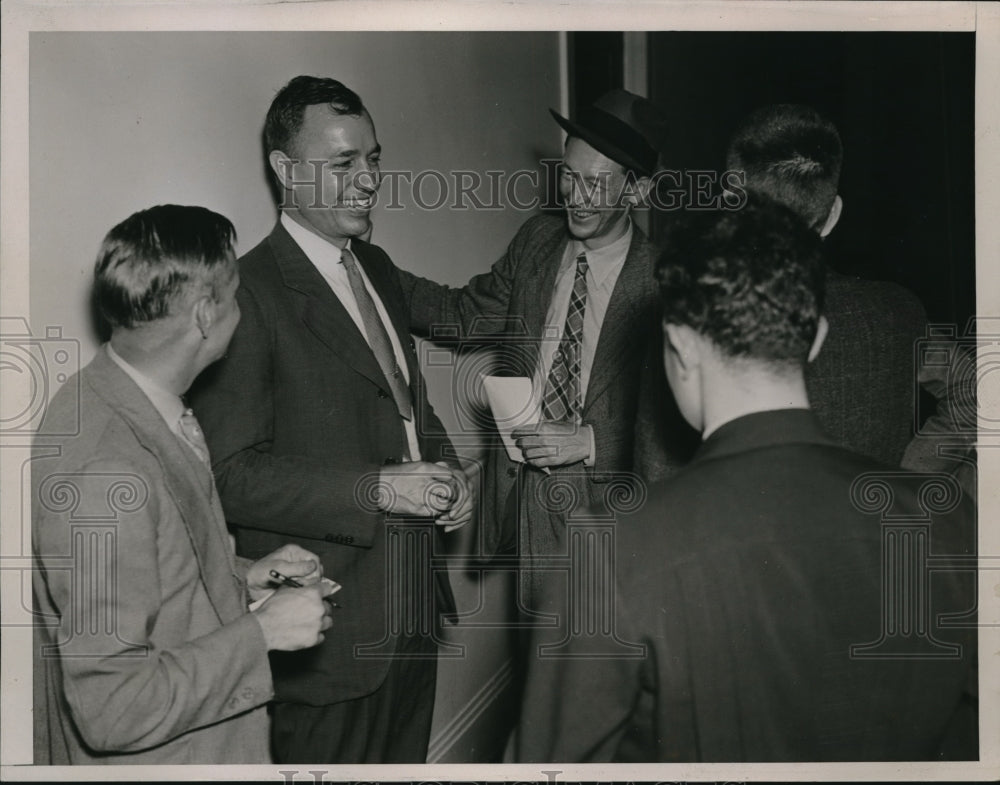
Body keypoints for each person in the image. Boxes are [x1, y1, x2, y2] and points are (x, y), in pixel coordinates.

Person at [515, 198, 976, 762]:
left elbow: (552, 765)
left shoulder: (607, 549)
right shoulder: (946, 518)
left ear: (680, 348)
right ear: (816, 339)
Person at [188, 76, 472, 764]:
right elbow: (230, 474)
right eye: (343, 165)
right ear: (286, 171)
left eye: (373, 159)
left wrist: (453, 471)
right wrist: (376, 487)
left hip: (413, 618)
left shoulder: (373, 263)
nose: (369, 180)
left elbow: (407, 405)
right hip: (328, 645)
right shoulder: (246, 292)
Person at [32, 204, 337, 765]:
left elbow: (157, 571)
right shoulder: (106, 476)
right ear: (203, 315)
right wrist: (261, 634)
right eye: (237, 293)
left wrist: (247, 576)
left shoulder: (115, 395)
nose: (242, 308)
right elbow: (112, 708)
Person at [396, 89, 694, 610]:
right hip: (530, 500)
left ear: (637, 191)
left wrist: (591, 440)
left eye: (597, 184)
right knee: (542, 661)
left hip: (615, 506)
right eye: (569, 175)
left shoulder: (670, 282)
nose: (575, 196)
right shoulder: (537, 241)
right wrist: (367, 268)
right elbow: (464, 313)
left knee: (608, 665)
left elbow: (684, 426)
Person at [725, 103, 929, 469]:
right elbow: (976, 390)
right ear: (833, 215)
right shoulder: (899, 312)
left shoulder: (688, 319)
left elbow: (660, 480)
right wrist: (915, 476)